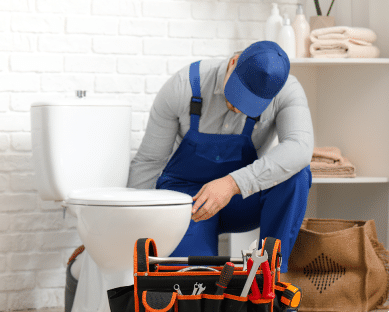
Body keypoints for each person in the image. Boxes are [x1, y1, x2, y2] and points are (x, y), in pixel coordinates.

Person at [127, 40, 313, 274]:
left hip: (241, 200)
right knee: (193, 284)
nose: (238, 108)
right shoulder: (185, 85)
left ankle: (270, 278)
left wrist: (232, 184)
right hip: (189, 204)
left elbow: (300, 147)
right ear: (233, 62)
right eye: (238, 94)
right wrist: (131, 226)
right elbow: (149, 162)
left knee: (296, 175)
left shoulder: (286, 91)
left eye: (251, 104)